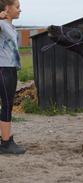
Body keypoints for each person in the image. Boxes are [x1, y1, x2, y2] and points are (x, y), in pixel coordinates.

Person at [0, 0, 25, 154]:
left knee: (7, 105)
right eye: (17, 7)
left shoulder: (10, 26)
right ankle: (5, 143)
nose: (20, 10)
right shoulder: (2, 24)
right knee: (7, 105)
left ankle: (5, 139)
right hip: (4, 69)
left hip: (10, 69)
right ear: (7, 8)